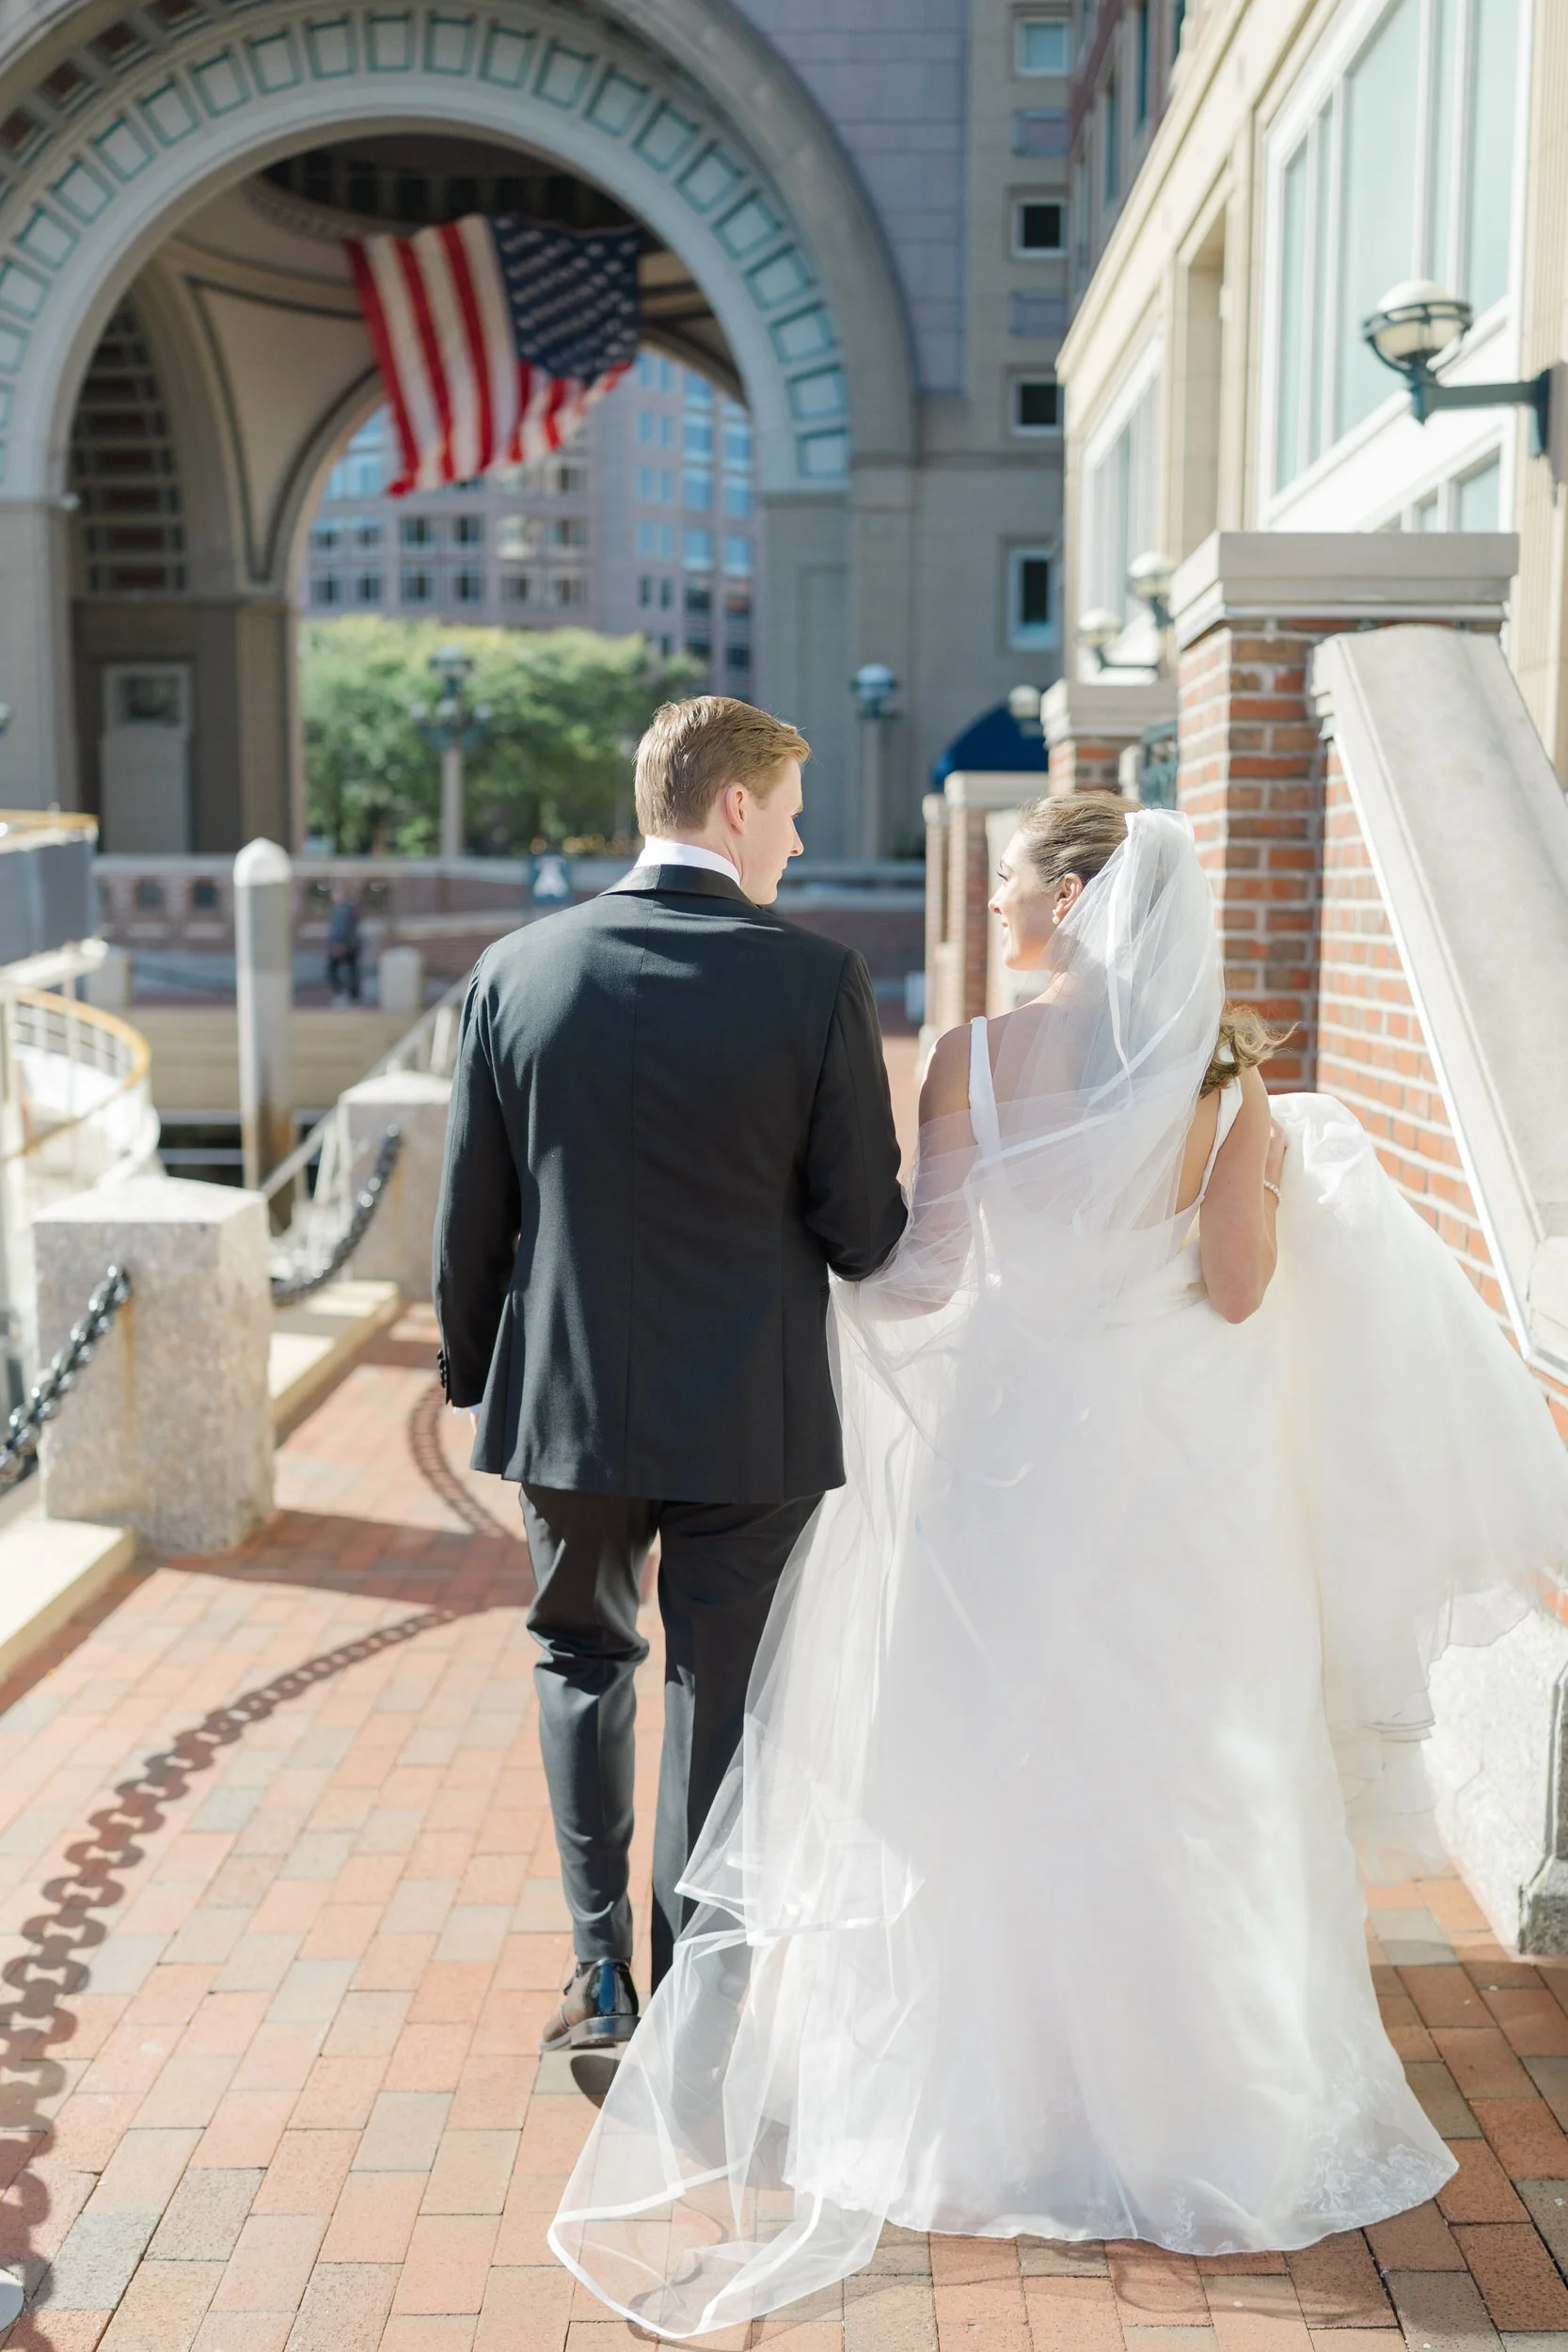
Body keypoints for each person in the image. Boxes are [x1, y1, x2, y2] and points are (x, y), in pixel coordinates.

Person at [550, 796, 1568, 2339]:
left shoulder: (967, 1061)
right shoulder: (1226, 1085)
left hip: (1001, 1460)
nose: (998, 902)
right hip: (1179, 1480)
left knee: (978, 1765)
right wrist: (1283, 1187)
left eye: (1014, 878)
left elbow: (923, 1275)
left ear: (1076, 894)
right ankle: (1193, 2117)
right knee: (1180, 1776)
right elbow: (1238, 1293)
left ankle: (984, 2106)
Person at [431, 696, 906, 2055]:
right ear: (735, 806)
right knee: (720, 1688)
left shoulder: (515, 971)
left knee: (579, 1660)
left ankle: (597, 1980)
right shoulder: (815, 982)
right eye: (791, 816)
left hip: (567, 1403)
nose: (796, 845)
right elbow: (862, 1232)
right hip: (749, 1413)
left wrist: (473, 1369)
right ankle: (697, 1997)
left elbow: (472, 1218)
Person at [325, 883, 361, 1002]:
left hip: (343, 945)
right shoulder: (348, 908)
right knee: (352, 969)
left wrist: (338, 943)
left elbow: (340, 929)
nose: (334, 897)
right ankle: (354, 994)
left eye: (336, 894)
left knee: (332, 968)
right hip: (351, 944)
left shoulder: (342, 910)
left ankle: (341, 991)